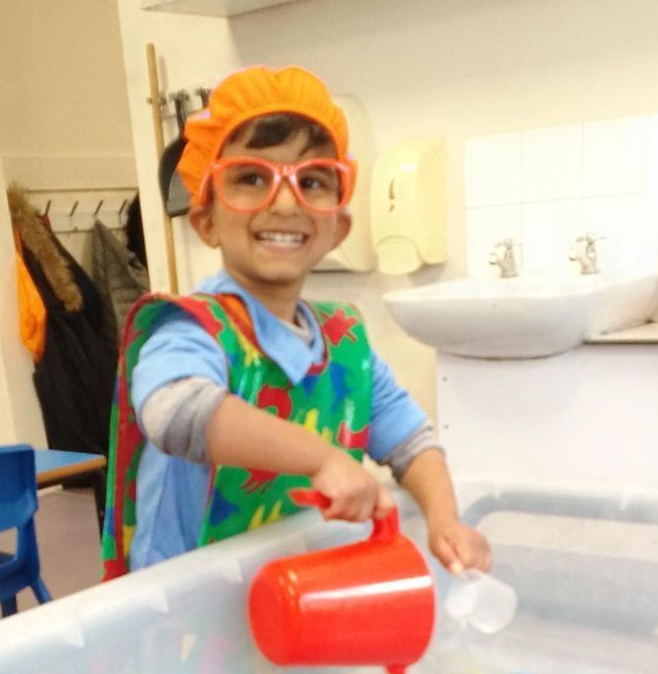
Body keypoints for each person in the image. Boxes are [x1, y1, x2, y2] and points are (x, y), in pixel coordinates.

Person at [102, 65, 491, 578]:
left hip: (291, 599)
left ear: (338, 227)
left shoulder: (345, 346)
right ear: (207, 222)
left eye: (311, 181)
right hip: (182, 620)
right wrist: (323, 459)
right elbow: (175, 410)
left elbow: (412, 442)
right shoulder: (193, 331)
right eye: (250, 178)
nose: (284, 202)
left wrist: (446, 524)